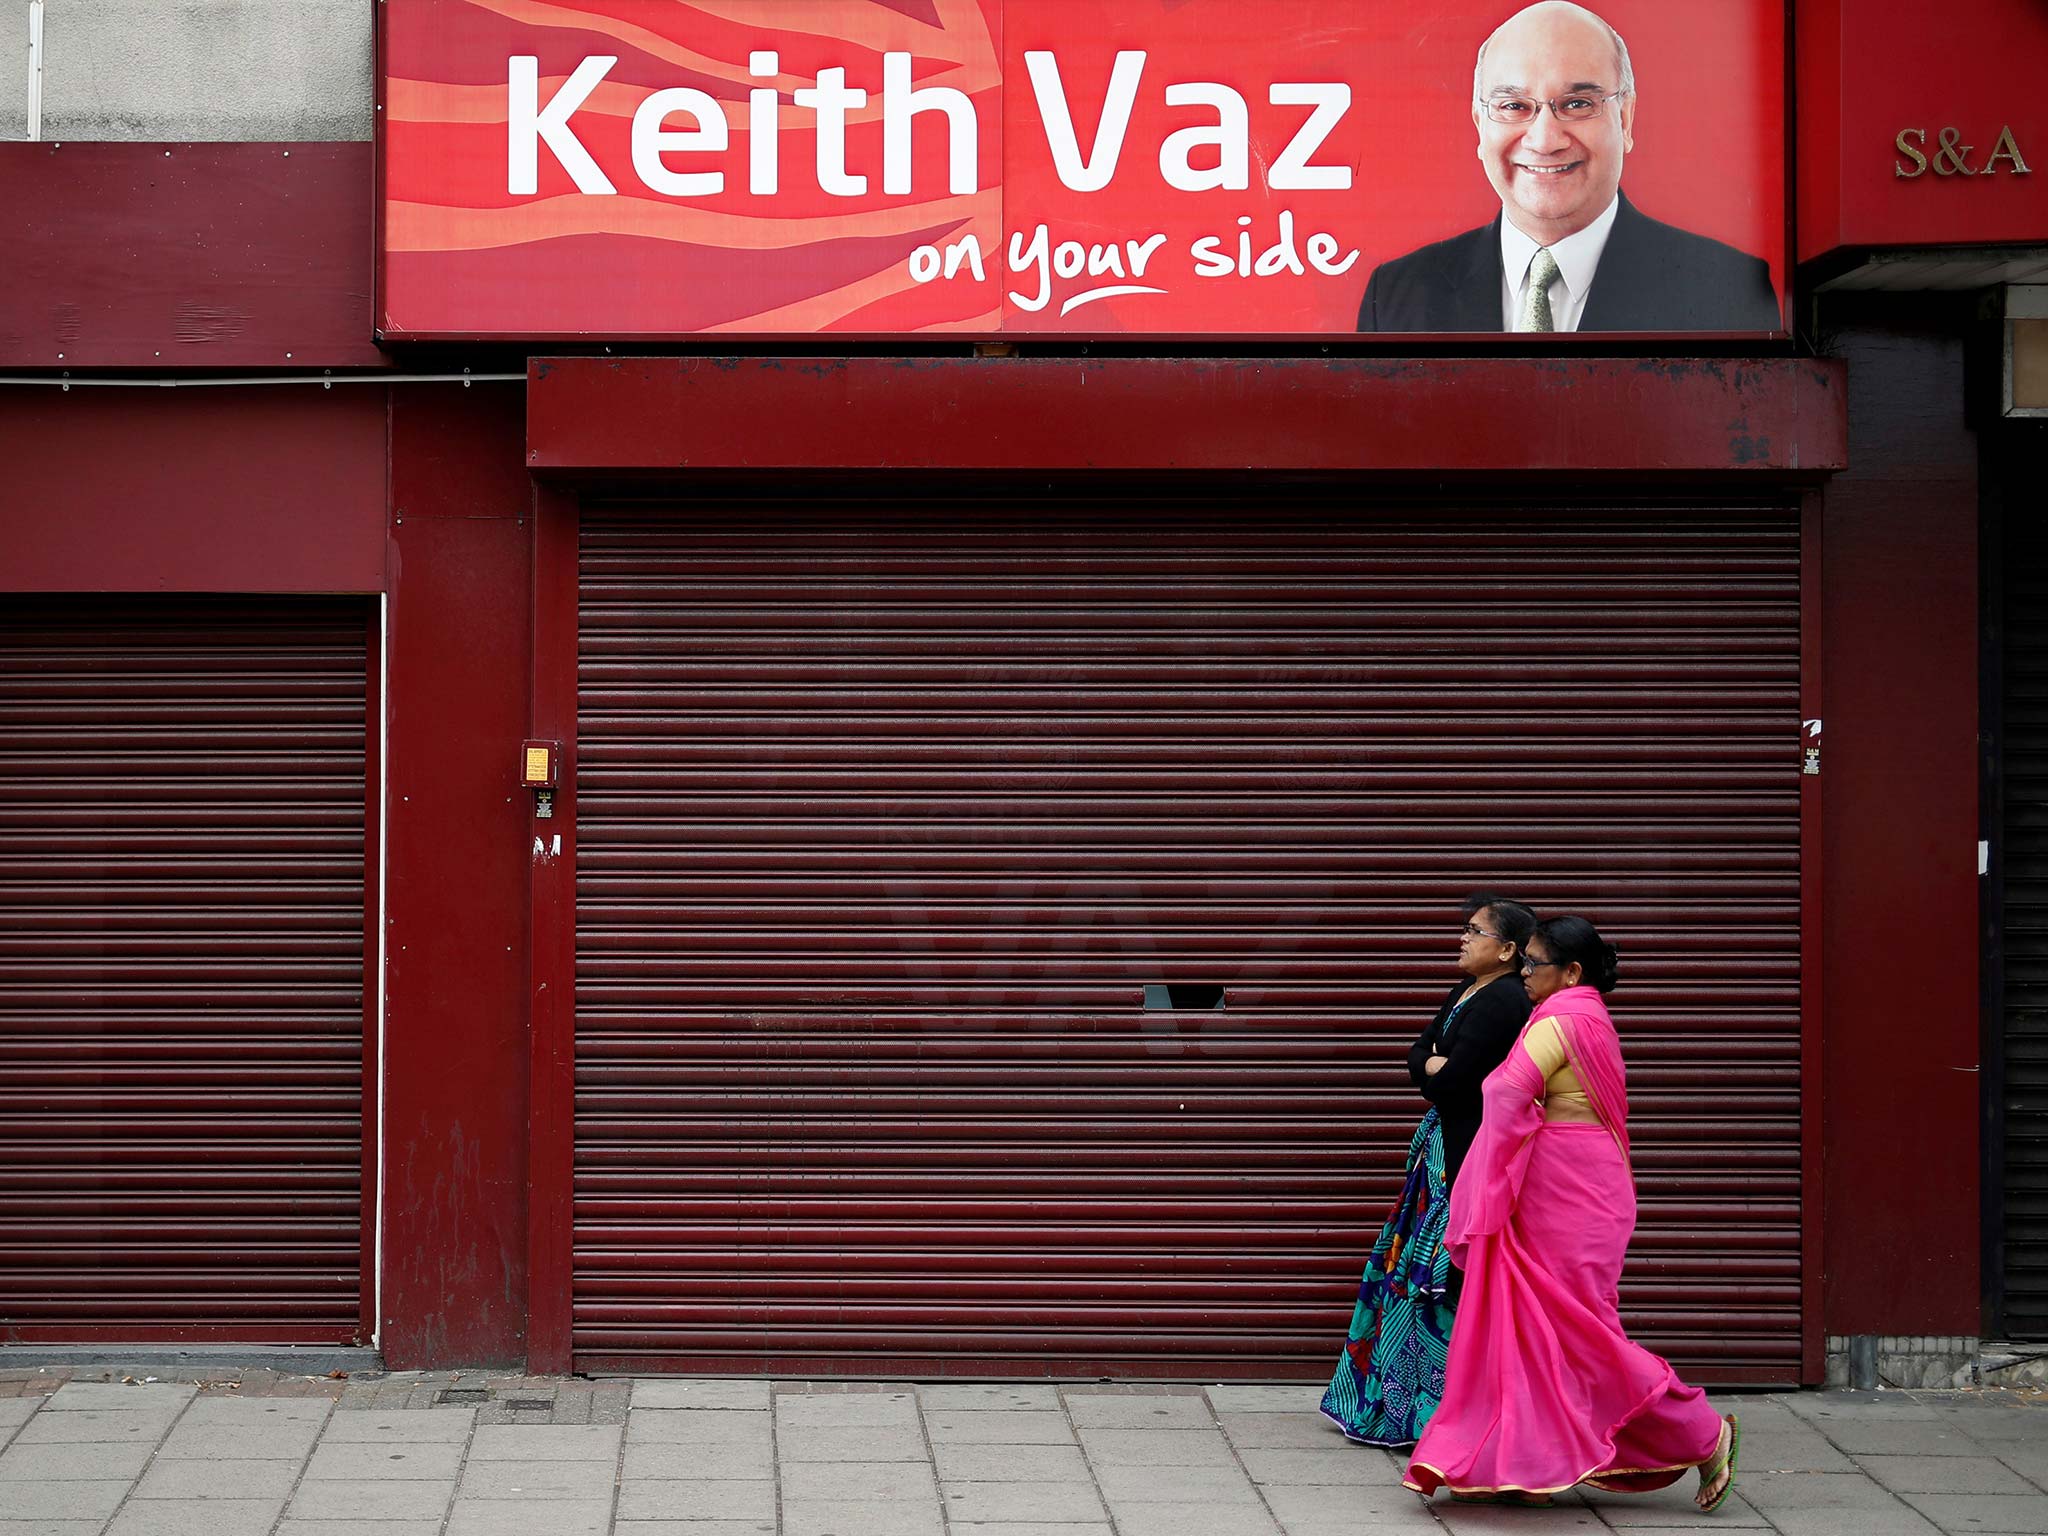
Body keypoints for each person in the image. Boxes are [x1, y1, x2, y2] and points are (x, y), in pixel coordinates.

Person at [1405, 916, 1740, 1510]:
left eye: (1533, 964)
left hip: (1570, 1193)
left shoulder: (1563, 1018)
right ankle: (1531, 1465)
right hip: (1576, 1185)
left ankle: (1703, 1431)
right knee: (1542, 1330)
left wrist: (1446, 1081)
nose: (1524, 973)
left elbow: (1504, 1091)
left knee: (1576, 1333)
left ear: (1573, 972)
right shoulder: (1585, 1016)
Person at [1356, 1, 1781, 334]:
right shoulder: (1397, 298)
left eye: (1577, 104)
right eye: (1514, 107)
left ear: (1625, 119)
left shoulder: (1725, 290)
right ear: (1479, 124)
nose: (1544, 139)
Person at [1319, 893, 1536, 1447]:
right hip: (1438, 1150)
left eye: (1475, 930)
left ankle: (1433, 1413)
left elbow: (1450, 1082)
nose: (1463, 938)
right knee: (1409, 1270)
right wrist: (1435, 1061)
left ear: (1507, 949)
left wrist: (1437, 1065)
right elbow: (1419, 1055)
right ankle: (1394, 1405)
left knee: (1439, 1280)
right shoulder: (1465, 990)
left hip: (1465, 1156)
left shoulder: (1506, 1000)